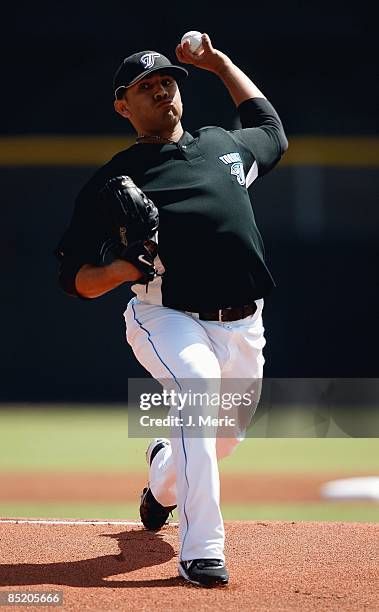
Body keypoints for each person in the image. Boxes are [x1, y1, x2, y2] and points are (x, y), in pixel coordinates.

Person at [55, 33, 288, 587]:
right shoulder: (115, 180)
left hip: (244, 323)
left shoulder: (223, 148)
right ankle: (202, 549)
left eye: (167, 82)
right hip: (166, 315)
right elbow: (74, 279)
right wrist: (121, 271)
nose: (162, 91)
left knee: (223, 437)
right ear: (123, 105)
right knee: (198, 387)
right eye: (146, 87)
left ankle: (162, 477)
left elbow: (272, 130)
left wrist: (219, 63)